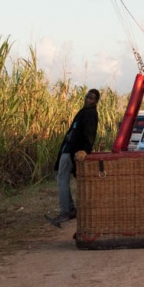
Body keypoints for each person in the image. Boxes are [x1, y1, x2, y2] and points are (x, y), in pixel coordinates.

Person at [46, 89, 99, 227]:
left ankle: (66, 210)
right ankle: (68, 208)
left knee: (62, 179)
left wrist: (85, 150)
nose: (88, 99)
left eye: (91, 98)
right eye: (87, 97)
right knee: (61, 178)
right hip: (68, 150)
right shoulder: (84, 112)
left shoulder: (90, 114)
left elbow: (90, 134)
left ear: (96, 101)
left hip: (71, 152)